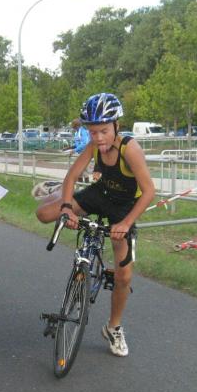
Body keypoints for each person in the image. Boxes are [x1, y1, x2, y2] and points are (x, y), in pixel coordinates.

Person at [36, 93, 155, 357]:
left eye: (104, 131)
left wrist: (126, 223)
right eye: (92, 132)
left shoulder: (129, 149)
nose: (99, 138)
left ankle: (113, 328)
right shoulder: (93, 146)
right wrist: (67, 208)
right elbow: (72, 175)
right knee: (43, 213)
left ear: (116, 126)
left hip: (123, 208)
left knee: (124, 276)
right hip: (100, 194)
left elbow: (149, 191)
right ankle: (59, 194)